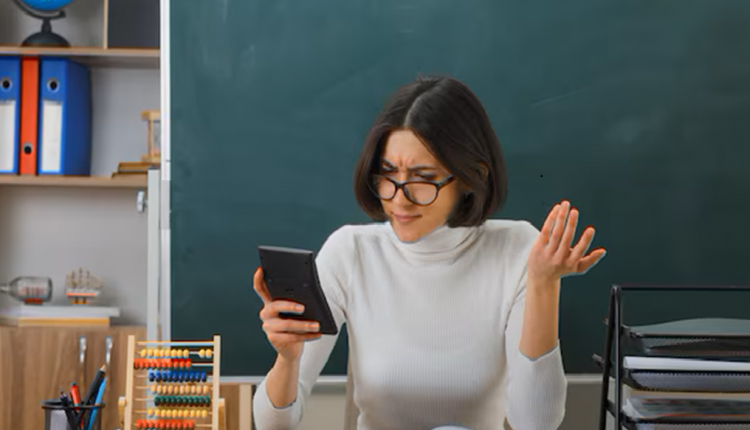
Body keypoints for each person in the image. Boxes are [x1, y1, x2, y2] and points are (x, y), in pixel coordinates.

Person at [252, 75, 607, 430]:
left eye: (422, 178)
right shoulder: (351, 252)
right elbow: (270, 425)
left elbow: (537, 424)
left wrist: (544, 284)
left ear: (471, 178)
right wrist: (288, 358)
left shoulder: (517, 249)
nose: (398, 198)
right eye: (388, 175)